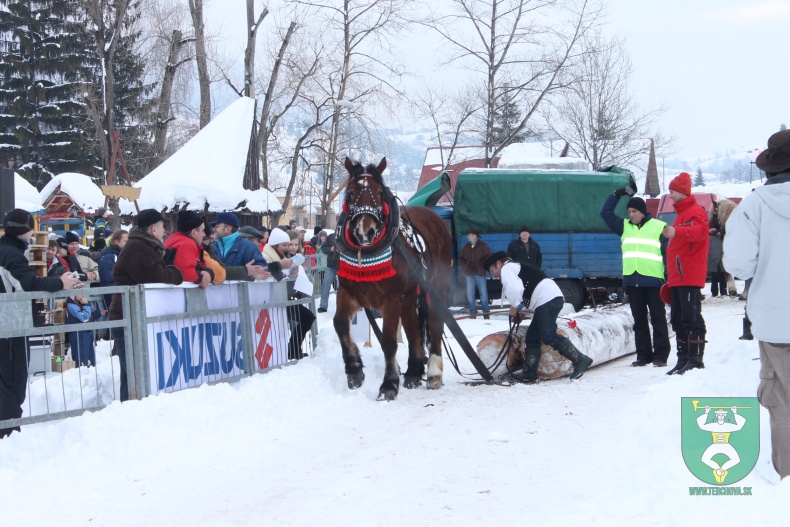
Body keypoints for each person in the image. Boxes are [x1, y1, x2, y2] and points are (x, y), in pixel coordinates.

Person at [723, 128, 790, 479]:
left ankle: (789, 481)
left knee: (784, 404)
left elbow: (738, 265)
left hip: (777, 323)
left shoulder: (752, 207)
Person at [1, 209, 79, 438]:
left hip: (9, 323)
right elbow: (29, 284)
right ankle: (8, 434)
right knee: (12, 382)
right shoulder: (10, 254)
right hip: (8, 326)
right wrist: (60, 282)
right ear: (25, 230)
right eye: (31, 227)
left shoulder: (8, 250)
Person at [109, 209, 184, 401]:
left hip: (131, 317)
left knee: (132, 373)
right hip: (128, 318)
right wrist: (174, 273)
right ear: (153, 229)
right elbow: (154, 277)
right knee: (135, 373)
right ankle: (129, 410)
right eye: (162, 226)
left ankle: (129, 409)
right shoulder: (138, 248)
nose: (165, 231)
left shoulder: (142, 246)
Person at [483, 251, 592, 383]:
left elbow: (516, 290)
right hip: (547, 299)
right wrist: (522, 312)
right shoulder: (514, 267)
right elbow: (528, 290)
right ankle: (530, 373)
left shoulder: (507, 268)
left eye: (492, 270)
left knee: (548, 335)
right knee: (532, 337)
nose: (493, 274)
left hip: (546, 299)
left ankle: (580, 359)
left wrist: (515, 307)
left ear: (499, 264)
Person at [600, 189, 671, 367]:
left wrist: (668, 276)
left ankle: (661, 355)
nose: (631, 215)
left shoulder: (658, 226)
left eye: (635, 212)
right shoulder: (624, 226)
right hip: (632, 280)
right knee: (639, 321)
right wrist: (616, 195)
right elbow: (605, 213)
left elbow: (667, 253)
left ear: (643, 212)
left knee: (658, 319)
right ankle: (643, 355)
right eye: (629, 212)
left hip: (654, 280)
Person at [663, 172, 709, 375]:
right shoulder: (682, 213)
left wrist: (677, 232)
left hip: (688, 276)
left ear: (681, 191)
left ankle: (695, 360)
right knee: (678, 319)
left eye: (672, 191)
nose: (670, 195)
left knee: (691, 318)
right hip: (678, 277)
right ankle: (683, 360)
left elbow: (701, 232)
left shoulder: (695, 211)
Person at [263, 228, 316, 359]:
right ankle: (290, 351)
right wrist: (284, 269)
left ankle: (293, 350)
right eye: (285, 245)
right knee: (305, 318)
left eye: (291, 245)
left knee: (308, 318)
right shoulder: (267, 255)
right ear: (276, 245)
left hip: (286, 297)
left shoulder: (283, 256)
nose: (288, 248)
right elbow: (266, 272)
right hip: (274, 299)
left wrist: (293, 271)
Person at [459, 229, 491, 319]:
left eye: (469, 235)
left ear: (475, 236)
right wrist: (465, 266)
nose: (467, 236)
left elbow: (488, 257)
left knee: (483, 294)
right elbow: (461, 258)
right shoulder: (466, 247)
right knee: (470, 294)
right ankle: (473, 312)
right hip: (469, 273)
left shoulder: (484, 246)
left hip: (479, 273)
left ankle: (486, 313)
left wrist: (481, 265)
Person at [65, 295, 97, 367]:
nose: (83, 296)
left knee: (91, 363)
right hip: (79, 336)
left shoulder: (77, 304)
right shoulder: (71, 306)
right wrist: (86, 304)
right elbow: (84, 318)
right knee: (82, 363)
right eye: (81, 293)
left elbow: (87, 317)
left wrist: (98, 313)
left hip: (84, 335)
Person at [318, 232, 339, 313]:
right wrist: (331, 249)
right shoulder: (331, 236)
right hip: (331, 265)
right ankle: (323, 306)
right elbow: (323, 248)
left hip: (343, 266)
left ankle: (342, 307)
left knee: (342, 287)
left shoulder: (348, 235)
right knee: (326, 284)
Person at [707, 228, 727, 298]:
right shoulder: (720, 239)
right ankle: (723, 292)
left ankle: (715, 293)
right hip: (719, 261)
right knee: (721, 278)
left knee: (714, 278)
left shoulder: (709, 239)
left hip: (713, 261)